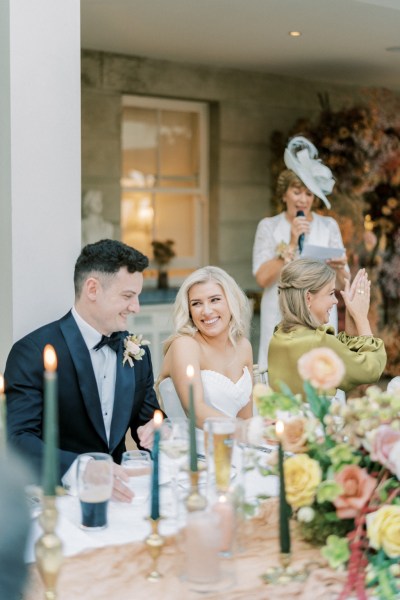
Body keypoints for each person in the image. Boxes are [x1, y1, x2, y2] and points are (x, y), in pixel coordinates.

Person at [5, 239, 162, 502]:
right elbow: (18, 440)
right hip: (57, 500)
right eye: (127, 296)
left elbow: (148, 421)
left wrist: (160, 430)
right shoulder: (32, 353)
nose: (136, 307)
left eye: (137, 296)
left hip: (121, 497)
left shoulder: (138, 352)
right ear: (92, 289)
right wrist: (81, 471)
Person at [252, 136, 349, 371]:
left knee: (321, 372)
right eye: (297, 192)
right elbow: (262, 278)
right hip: (280, 312)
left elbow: (343, 284)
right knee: (281, 372)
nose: (303, 199)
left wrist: (338, 267)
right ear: (284, 194)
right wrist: (293, 242)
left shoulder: (328, 226)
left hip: (320, 313)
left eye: (309, 193)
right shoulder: (269, 226)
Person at [156, 266, 254, 438]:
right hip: (191, 453)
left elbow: (245, 418)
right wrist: (247, 430)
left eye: (215, 300)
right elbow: (196, 411)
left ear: (231, 301)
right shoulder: (185, 345)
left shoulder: (243, 346)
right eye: (196, 303)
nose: (206, 311)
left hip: (232, 448)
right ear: (189, 311)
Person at [268, 258, 387, 395]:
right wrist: (361, 318)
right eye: (331, 293)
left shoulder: (279, 335)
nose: (336, 301)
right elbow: (370, 370)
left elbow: (343, 353)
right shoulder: (319, 342)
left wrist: (350, 314)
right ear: (308, 298)